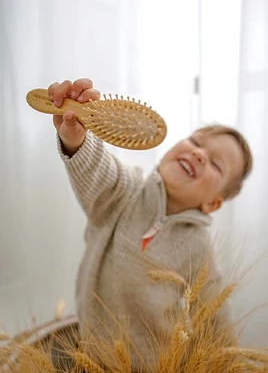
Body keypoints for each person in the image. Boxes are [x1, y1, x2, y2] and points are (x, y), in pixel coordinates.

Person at [48, 78, 253, 370]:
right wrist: (77, 137)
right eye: (196, 142)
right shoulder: (125, 190)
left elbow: (213, 316)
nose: (199, 153)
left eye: (216, 164)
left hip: (153, 364)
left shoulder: (198, 247)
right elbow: (98, 170)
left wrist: (224, 362)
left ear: (213, 203)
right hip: (92, 351)